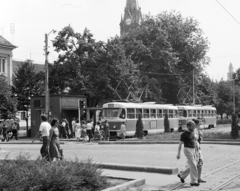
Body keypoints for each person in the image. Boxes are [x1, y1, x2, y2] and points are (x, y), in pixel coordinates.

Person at [176, 120, 199, 186]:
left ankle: (182, 175)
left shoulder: (192, 132)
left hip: (193, 150)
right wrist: (178, 154)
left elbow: (194, 141)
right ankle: (193, 181)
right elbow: (180, 144)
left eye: (194, 126)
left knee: (192, 165)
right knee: (193, 165)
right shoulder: (184, 134)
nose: (194, 127)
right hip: (187, 150)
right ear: (188, 126)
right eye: (192, 126)